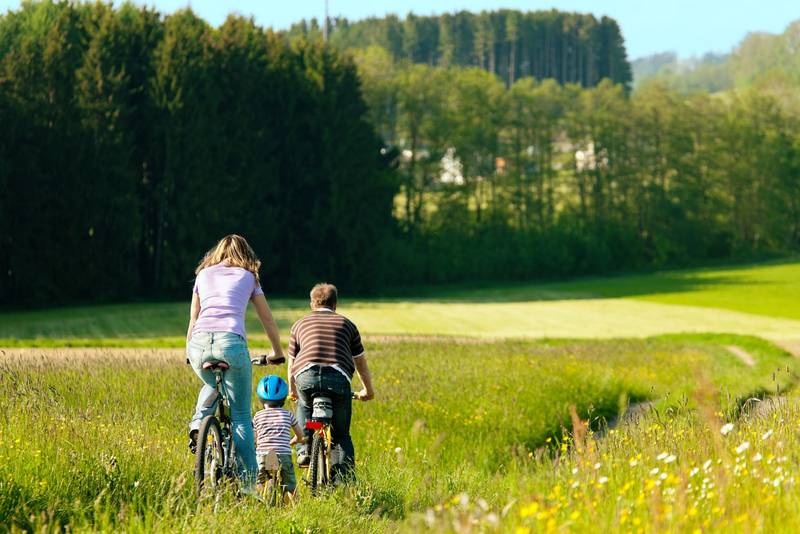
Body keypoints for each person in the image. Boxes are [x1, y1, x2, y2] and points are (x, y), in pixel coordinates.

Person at [186, 234, 284, 493]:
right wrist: (277, 352)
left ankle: (198, 423)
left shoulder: (202, 274)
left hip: (198, 344)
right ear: (245, 254)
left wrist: (189, 352)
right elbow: (267, 319)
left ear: (217, 253)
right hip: (231, 343)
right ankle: (249, 486)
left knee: (212, 384)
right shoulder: (249, 276)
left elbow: (194, 317)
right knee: (240, 415)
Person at [287, 283, 375, 482]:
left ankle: (305, 448)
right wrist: (368, 390)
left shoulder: (299, 325)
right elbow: (360, 362)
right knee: (341, 433)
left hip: (306, 376)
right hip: (338, 378)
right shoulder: (347, 325)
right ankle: (342, 479)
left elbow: (291, 364)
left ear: (312, 304)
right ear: (335, 305)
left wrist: (292, 390)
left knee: (305, 407)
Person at [253, 375, 304, 499]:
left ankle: (257, 501)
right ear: (283, 398)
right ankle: (296, 504)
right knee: (290, 486)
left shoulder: (257, 416)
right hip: (283, 454)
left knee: (259, 482)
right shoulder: (288, 414)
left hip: (262, 454)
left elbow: (254, 439)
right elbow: (300, 435)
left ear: (261, 398)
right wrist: (293, 441)